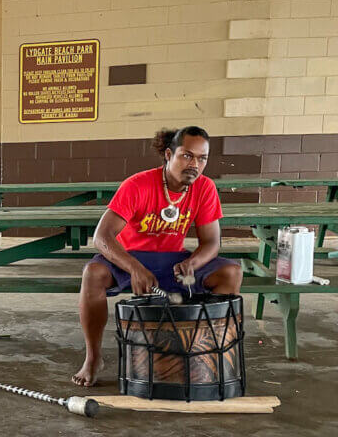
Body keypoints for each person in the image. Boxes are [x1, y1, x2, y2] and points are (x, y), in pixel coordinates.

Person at [72, 126, 244, 388]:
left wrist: (192, 263)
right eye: (187, 156)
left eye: (202, 158)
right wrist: (134, 268)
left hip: (172, 260)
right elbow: (102, 238)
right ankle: (93, 358)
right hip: (129, 258)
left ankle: (203, 354)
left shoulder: (205, 188)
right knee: (92, 274)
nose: (195, 164)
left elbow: (211, 243)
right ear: (168, 154)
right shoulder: (137, 185)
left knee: (231, 272)